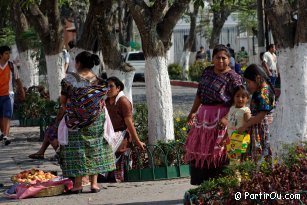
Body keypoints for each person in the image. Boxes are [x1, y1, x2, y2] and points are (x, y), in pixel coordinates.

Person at [185, 44, 243, 185]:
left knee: (219, 150)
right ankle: (203, 183)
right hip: (204, 116)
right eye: (218, 58)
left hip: (222, 116)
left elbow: (240, 101)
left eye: (224, 58)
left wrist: (226, 118)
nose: (221, 61)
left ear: (229, 59)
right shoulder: (207, 72)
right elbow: (200, 94)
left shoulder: (233, 77)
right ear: (212, 59)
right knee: (201, 147)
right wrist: (193, 112)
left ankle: (219, 184)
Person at [59, 51, 115, 194]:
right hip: (96, 120)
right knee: (94, 148)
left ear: (78, 64)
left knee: (78, 149)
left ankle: (78, 185)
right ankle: (94, 184)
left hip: (75, 120)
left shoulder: (69, 80)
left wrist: (73, 111)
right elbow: (103, 101)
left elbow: (63, 102)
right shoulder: (100, 81)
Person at [104, 76, 145, 182]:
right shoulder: (106, 102)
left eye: (111, 86)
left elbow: (129, 123)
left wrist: (137, 141)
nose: (108, 89)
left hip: (123, 134)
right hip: (110, 133)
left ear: (118, 88)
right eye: (106, 86)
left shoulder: (123, 102)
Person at [238, 64, 275, 163]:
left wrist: (245, 126)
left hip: (262, 129)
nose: (248, 85)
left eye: (249, 82)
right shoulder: (259, 91)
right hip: (257, 126)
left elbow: (260, 117)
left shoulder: (264, 93)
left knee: (261, 154)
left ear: (258, 79)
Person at [222, 86, 251, 164]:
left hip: (239, 140)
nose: (240, 99)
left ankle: (236, 175)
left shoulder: (245, 111)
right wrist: (224, 138)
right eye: (237, 96)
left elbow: (249, 126)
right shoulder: (232, 108)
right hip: (231, 140)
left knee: (236, 161)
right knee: (232, 160)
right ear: (233, 97)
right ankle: (234, 175)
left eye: (243, 97)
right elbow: (229, 126)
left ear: (247, 98)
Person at [0, 45, 23, 145]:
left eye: (9, 53)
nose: (8, 55)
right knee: (1, 116)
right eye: (6, 53)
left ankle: (6, 135)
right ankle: (3, 133)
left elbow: (17, 79)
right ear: (0, 55)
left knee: (7, 115)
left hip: (8, 94)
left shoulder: (11, 66)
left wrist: (21, 90)